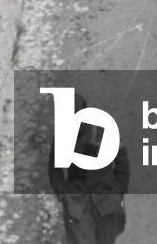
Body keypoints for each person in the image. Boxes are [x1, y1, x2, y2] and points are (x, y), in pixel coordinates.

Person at [48, 93, 130, 244]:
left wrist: (119, 190)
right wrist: (63, 194)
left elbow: (122, 158)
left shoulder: (103, 126)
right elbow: (55, 167)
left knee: (106, 239)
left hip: (106, 196)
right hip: (77, 199)